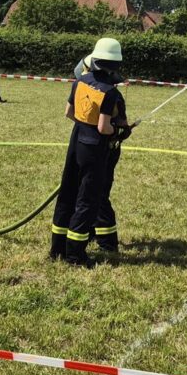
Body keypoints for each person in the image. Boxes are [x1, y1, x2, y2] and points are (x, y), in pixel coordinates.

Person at [50, 38, 134, 267]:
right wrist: (121, 130)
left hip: (76, 141)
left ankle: (57, 248)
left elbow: (69, 113)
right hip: (95, 149)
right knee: (88, 200)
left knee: (67, 193)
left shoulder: (80, 82)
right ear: (116, 66)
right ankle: (76, 255)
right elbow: (104, 128)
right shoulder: (111, 93)